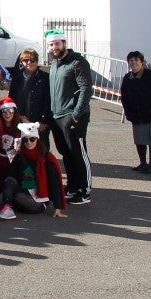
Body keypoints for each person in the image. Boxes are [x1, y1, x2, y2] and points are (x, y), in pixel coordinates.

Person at [45, 29, 93, 204]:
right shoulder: (55, 63)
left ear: (64, 43)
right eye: (51, 44)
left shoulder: (77, 62)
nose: (54, 47)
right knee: (66, 153)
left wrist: (77, 114)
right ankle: (73, 186)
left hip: (72, 116)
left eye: (57, 44)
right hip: (57, 116)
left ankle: (85, 189)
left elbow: (86, 89)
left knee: (79, 153)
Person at [0, 123, 68, 221]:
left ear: (37, 139)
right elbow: (10, 177)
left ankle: (9, 205)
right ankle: (8, 207)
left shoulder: (46, 158)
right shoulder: (19, 156)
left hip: (38, 200)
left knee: (17, 197)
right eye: (25, 140)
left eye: (32, 139)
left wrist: (58, 208)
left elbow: (55, 183)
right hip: (23, 190)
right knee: (7, 185)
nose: (29, 142)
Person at [121, 50, 151, 174]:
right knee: (140, 140)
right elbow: (123, 96)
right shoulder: (127, 78)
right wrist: (127, 111)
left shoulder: (150, 75)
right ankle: (143, 163)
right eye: (131, 60)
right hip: (136, 115)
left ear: (142, 62)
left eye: (136, 60)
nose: (134, 63)